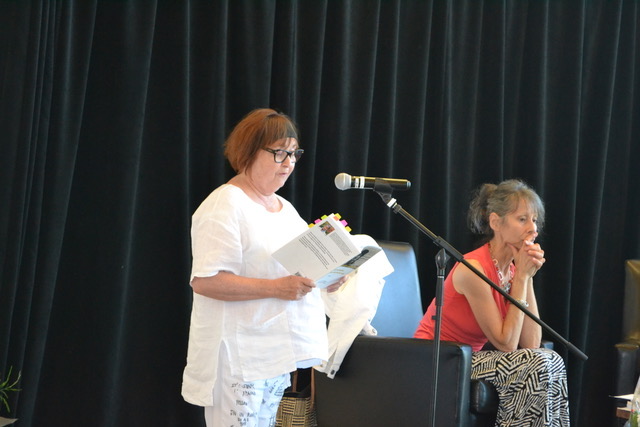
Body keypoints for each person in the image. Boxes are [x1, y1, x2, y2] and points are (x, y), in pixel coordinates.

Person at [181, 108, 344, 427]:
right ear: (248, 151)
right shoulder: (225, 204)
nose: (289, 163)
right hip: (238, 356)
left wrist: (328, 278)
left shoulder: (286, 209)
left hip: (275, 354)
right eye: (279, 153)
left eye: (294, 154)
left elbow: (298, 272)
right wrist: (277, 288)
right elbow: (206, 281)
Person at [414, 179, 570, 426]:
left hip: (472, 357)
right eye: (522, 219)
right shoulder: (473, 269)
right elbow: (506, 344)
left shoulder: (513, 270)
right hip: (439, 359)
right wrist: (522, 277)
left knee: (551, 359)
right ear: (496, 222)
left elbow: (531, 344)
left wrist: (526, 276)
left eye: (534, 220)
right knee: (536, 362)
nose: (533, 228)